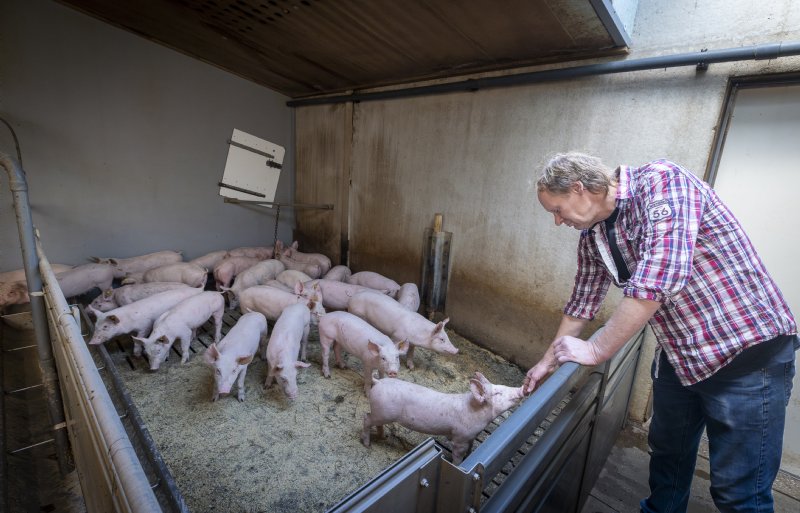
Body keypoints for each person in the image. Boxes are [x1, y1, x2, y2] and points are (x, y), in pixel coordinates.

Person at [522, 152, 797, 513]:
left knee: (738, 491)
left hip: (745, 354)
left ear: (578, 189)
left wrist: (594, 350)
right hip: (682, 357)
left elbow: (659, 278)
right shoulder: (595, 237)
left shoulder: (663, 182)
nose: (557, 221)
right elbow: (582, 301)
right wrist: (547, 362)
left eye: (557, 210)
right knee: (667, 459)